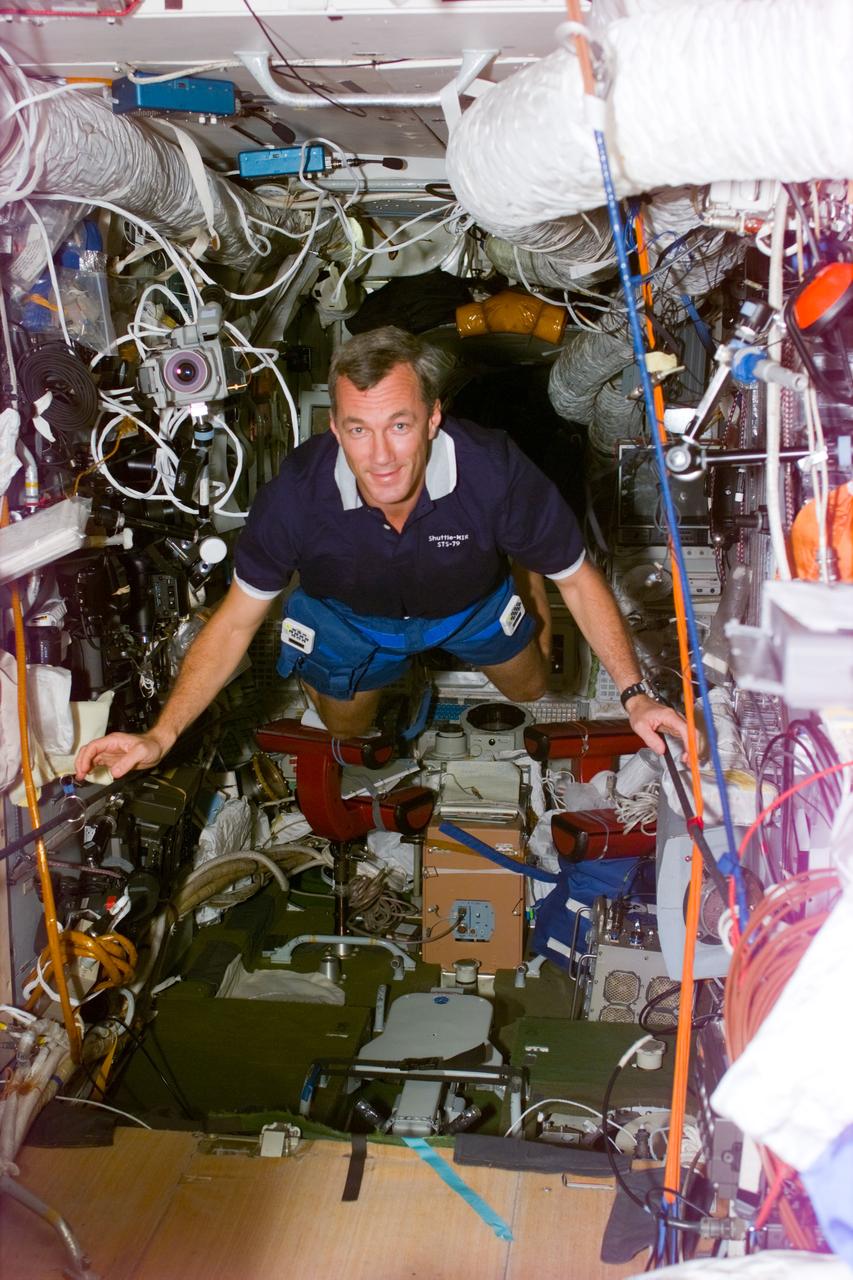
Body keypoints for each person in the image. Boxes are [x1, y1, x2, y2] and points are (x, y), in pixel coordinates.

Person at [75, 326, 687, 781]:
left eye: (399, 425)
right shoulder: (295, 497)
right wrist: (160, 735)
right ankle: (375, 672)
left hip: (470, 604)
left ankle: (519, 558)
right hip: (349, 617)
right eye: (360, 431)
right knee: (346, 727)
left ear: (432, 420)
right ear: (335, 429)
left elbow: (577, 579)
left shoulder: (494, 472)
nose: (382, 457)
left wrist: (635, 695)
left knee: (532, 687)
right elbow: (236, 619)